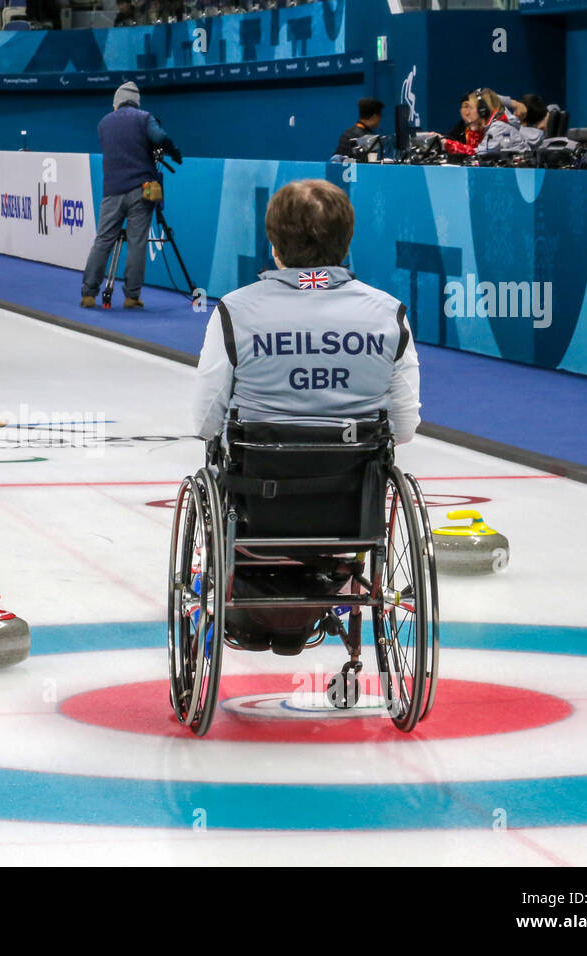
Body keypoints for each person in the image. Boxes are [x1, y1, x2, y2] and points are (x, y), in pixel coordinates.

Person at [192, 179, 421, 654]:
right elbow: (404, 427)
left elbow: (206, 422)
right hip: (349, 511)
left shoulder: (235, 312)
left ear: (274, 245)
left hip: (258, 506)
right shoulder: (388, 313)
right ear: (346, 242)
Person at [79, 81, 181, 309]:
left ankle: (88, 294)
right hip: (141, 190)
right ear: (136, 102)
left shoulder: (104, 123)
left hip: (112, 192)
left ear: (116, 103)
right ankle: (131, 297)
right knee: (137, 243)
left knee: (102, 241)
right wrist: (174, 152)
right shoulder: (144, 118)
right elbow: (160, 137)